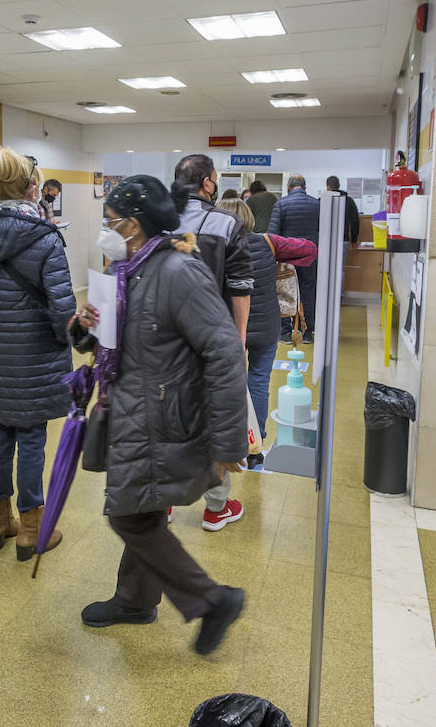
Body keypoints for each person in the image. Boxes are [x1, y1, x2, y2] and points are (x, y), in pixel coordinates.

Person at [71, 175, 247, 654]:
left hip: (159, 417)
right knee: (141, 510)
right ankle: (134, 599)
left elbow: (225, 350)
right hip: (132, 409)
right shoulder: (127, 269)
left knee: (130, 518)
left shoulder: (177, 273)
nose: (105, 230)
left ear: (133, 225)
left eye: (111, 222)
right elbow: (105, 336)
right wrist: (83, 324)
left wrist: (230, 441)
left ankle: (213, 600)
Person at [0, 143, 75, 560]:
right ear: (32, 189)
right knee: (31, 438)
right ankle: (31, 529)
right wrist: (62, 341)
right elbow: (64, 310)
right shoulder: (46, 239)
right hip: (36, 360)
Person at [172, 154, 254, 531]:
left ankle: (165, 504)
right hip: (213, 338)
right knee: (214, 420)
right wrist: (238, 341)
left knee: (170, 417)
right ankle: (216, 507)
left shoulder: (159, 222)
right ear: (207, 183)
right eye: (214, 179)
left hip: (168, 340)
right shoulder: (227, 223)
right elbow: (239, 286)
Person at [217, 199, 316, 454]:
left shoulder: (216, 247)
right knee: (259, 382)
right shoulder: (268, 242)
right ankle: (255, 441)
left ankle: (228, 440)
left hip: (229, 329)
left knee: (226, 384)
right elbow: (309, 250)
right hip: (266, 327)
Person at [267, 174, 322, 342]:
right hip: (309, 256)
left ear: (288, 187)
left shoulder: (281, 204)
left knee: (285, 291)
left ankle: (285, 332)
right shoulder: (316, 204)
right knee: (308, 291)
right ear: (304, 188)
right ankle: (309, 332)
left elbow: (273, 234)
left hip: (287, 256)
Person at [324, 175, 361, 244]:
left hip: (325, 240)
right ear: (339, 186)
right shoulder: (349, 201)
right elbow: (354, 221)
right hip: (343, 239)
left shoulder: (323, 201)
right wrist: (354, 240)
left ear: (327, 187)